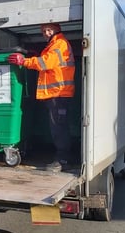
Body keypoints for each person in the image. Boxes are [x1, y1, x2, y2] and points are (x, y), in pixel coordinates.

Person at [8, 22, 75, 172]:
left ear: (57, 29)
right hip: (56, 94)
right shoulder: (55, 45)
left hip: (58, 94)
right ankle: (63, 158)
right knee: (58, 127)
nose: (45, 33)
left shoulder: (60, 44)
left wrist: (24, 61)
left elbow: (45, 63)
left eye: (48, 30)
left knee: (59, 128)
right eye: (43, 31)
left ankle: (62, 160)